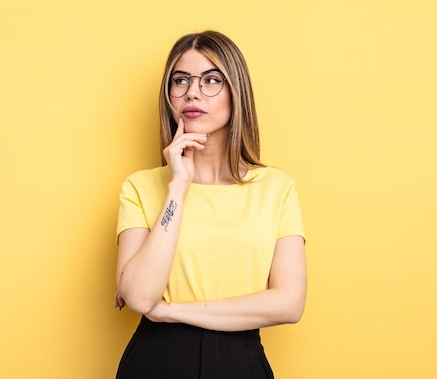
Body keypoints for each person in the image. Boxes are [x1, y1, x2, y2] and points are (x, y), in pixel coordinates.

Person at [114, 30, 306, 379]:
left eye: (211, 80)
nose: (192, 93)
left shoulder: (275, 188)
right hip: (155, 361)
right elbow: (141, 299)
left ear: (237, 93)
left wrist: (172, 311)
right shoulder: (140, 187)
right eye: (181, 80)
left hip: (240, 360)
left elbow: (289, 304)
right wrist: (178, 187)